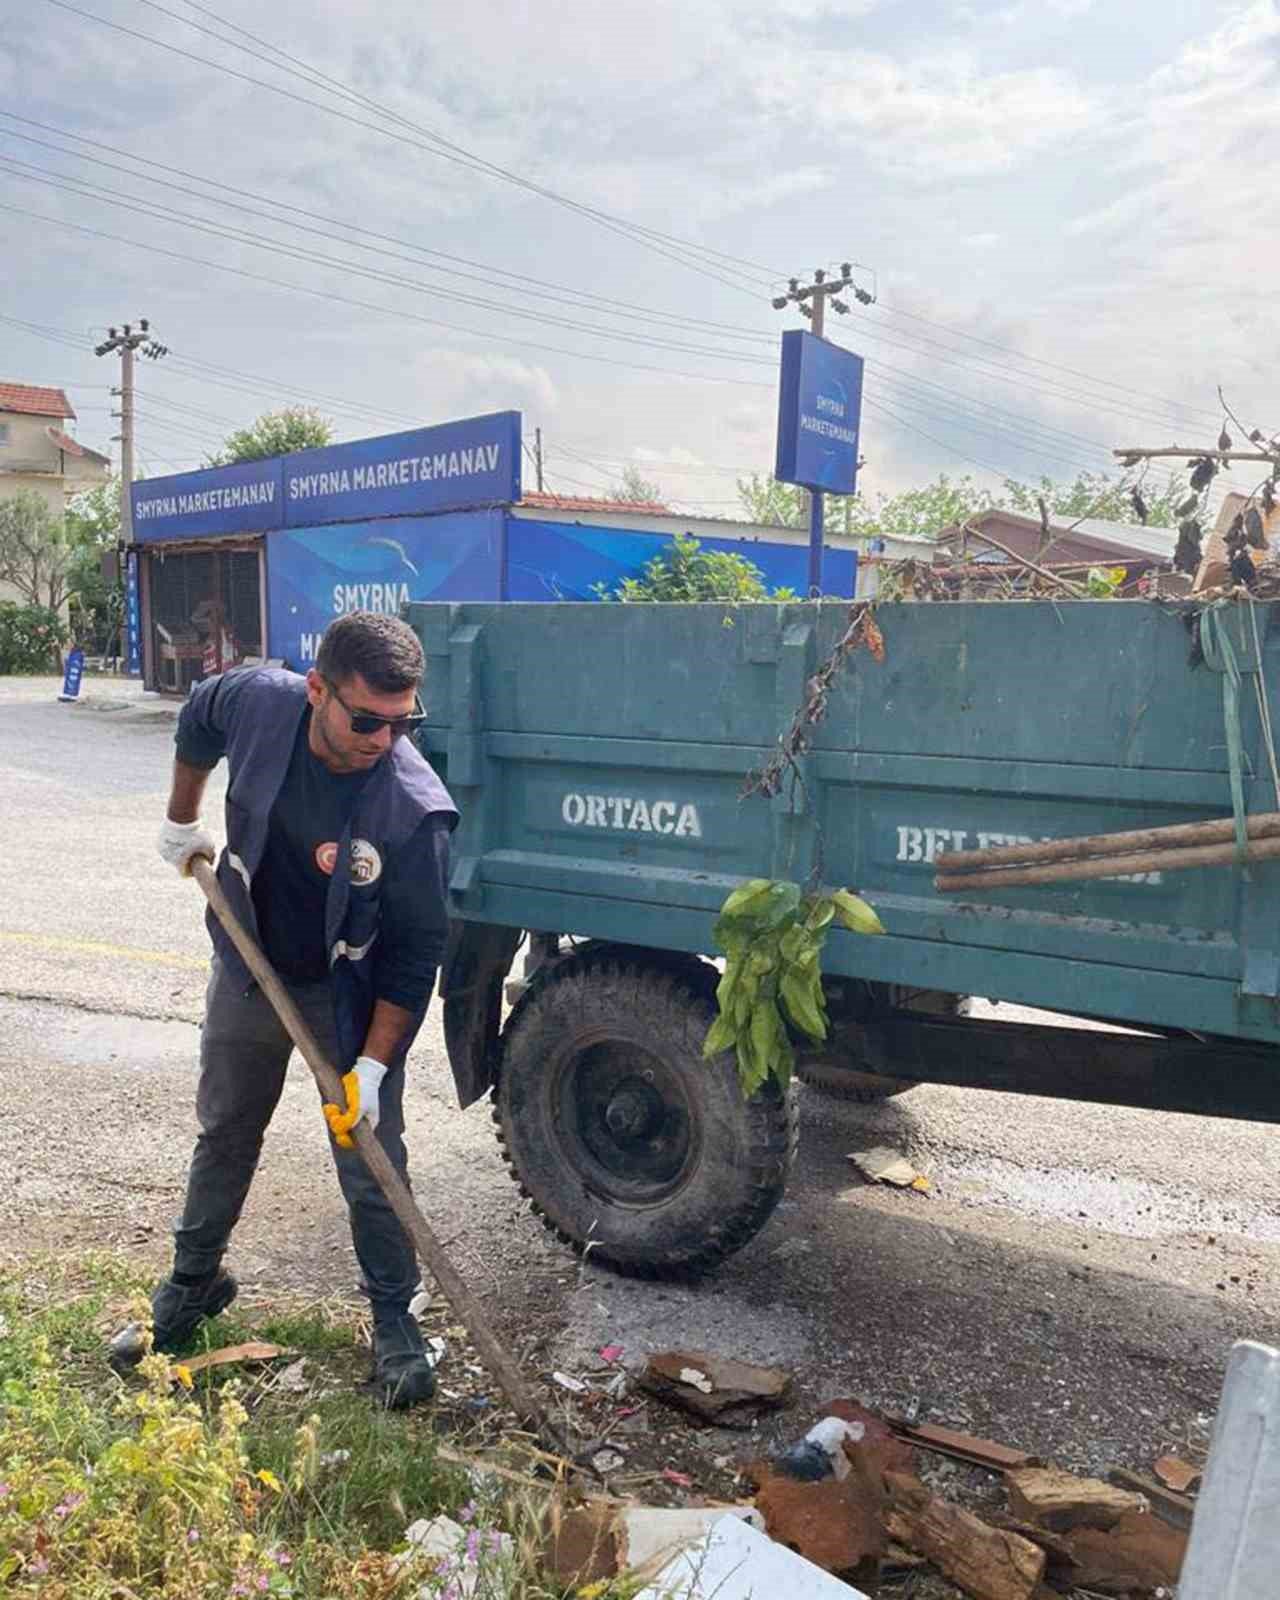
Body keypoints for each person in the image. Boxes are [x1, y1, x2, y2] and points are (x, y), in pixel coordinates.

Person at [110, 611, 456, 1408]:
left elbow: (415, 956)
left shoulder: (412, 809)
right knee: (226, 1129)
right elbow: (198, 718)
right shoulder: (260, 703)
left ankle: (395, 1319)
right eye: (367, 720)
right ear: (316, 691)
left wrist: (373, 1069)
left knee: (369, 1157)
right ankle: (194, 1284)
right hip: (252, 961)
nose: (384, 740)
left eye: (403, 723)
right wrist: (181, 817)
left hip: (349, 997)